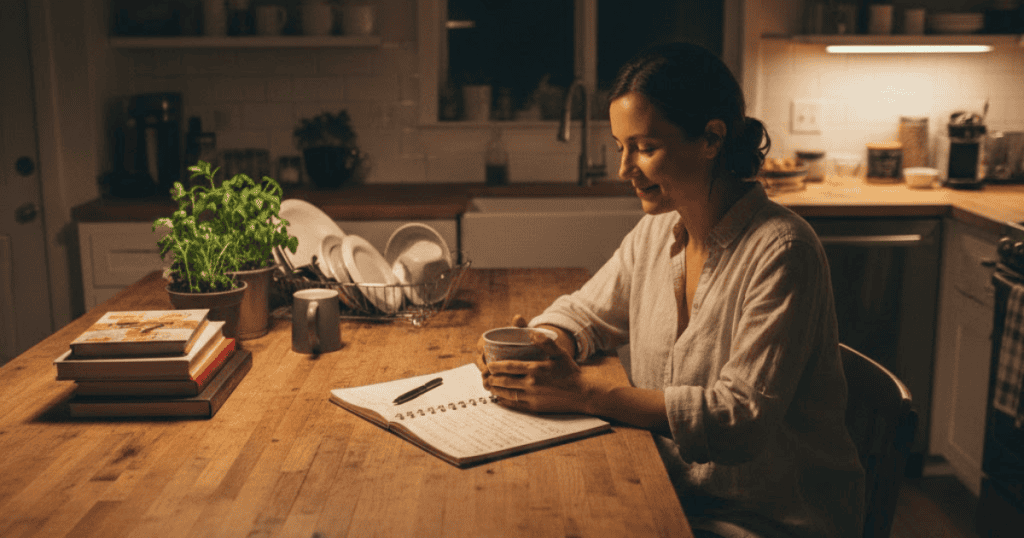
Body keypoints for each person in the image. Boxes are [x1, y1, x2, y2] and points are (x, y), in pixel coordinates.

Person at [476, 42, 865, 538]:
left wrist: (586, 392)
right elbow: (587, 313)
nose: (624, 169)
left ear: (711, 139)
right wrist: (542, 345)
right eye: (621, 147)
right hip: (678, 492)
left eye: (644, 147)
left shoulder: (783, 251)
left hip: (767, 519)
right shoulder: (659, 232)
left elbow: (738, 420)